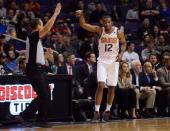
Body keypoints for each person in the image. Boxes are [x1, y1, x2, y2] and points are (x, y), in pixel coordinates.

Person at [15, 3, 62, 128]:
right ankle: (24, 116)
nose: (43, 26)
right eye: (41, 24)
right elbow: (47, 29)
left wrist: (46, 55)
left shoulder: (36, 41)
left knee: (46, 95)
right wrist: (55, 14)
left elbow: (36, 57)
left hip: (38, 69)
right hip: (34, 69)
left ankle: (41, 119)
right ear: (38, 26)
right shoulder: (33, 36)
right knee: (44, 96)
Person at [76, 10, 126, 122]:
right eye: (105, 22)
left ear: (111, 22)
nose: (107, 24)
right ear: (102, 23)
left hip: (114, 62)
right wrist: (81, 16)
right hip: (102, 61)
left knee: (112, 87)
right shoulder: (99, 30)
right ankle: (97, 112)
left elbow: (123, 43)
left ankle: (107, 110)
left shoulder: (118, 32)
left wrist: (121, 53)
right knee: (101, 85)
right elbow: (83, 25)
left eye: (109, 22)